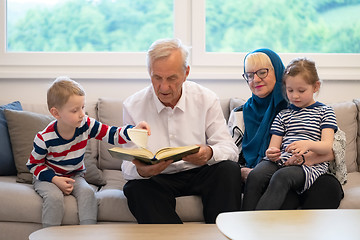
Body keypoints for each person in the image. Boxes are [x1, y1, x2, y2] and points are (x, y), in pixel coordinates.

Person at [121, 38, 242, 224]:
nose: (163, 87)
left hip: (200, 172)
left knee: (229, 170)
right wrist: (144, 170)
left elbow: (229, 149)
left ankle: (220, 234)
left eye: (171, 78)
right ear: (149, 72)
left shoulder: (206, 99)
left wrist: (209, 153)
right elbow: (127, 165)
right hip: (159, 178)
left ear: (186, 73)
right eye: (157, 77)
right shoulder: (133, 106)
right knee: (135, 188)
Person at [26, 76, 150, 228]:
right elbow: (33, 165)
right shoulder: (44, 137)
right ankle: (49, 235)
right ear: (56, 113)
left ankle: (88, 233)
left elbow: (112, 134)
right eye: (75, 110)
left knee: (88, 194)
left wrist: (134, 131)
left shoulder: (86, 124)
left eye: (83, 107)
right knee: (54, 198)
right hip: (47, 178)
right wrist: (54, 179)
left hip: (74, 176)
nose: (82, 114)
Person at [229, 48, 343, 210]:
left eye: (262, 72)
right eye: (249, 75)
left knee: (324, 188)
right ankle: (249, 225)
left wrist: (305, 155)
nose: (255, 79)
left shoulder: (313, 109)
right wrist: (266, 157)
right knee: (262, 178)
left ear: (277, 73)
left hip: (305, 170)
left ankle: (261, 224)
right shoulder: (242, 114)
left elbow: (333, 149)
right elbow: (231, 156)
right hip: (274, 167)